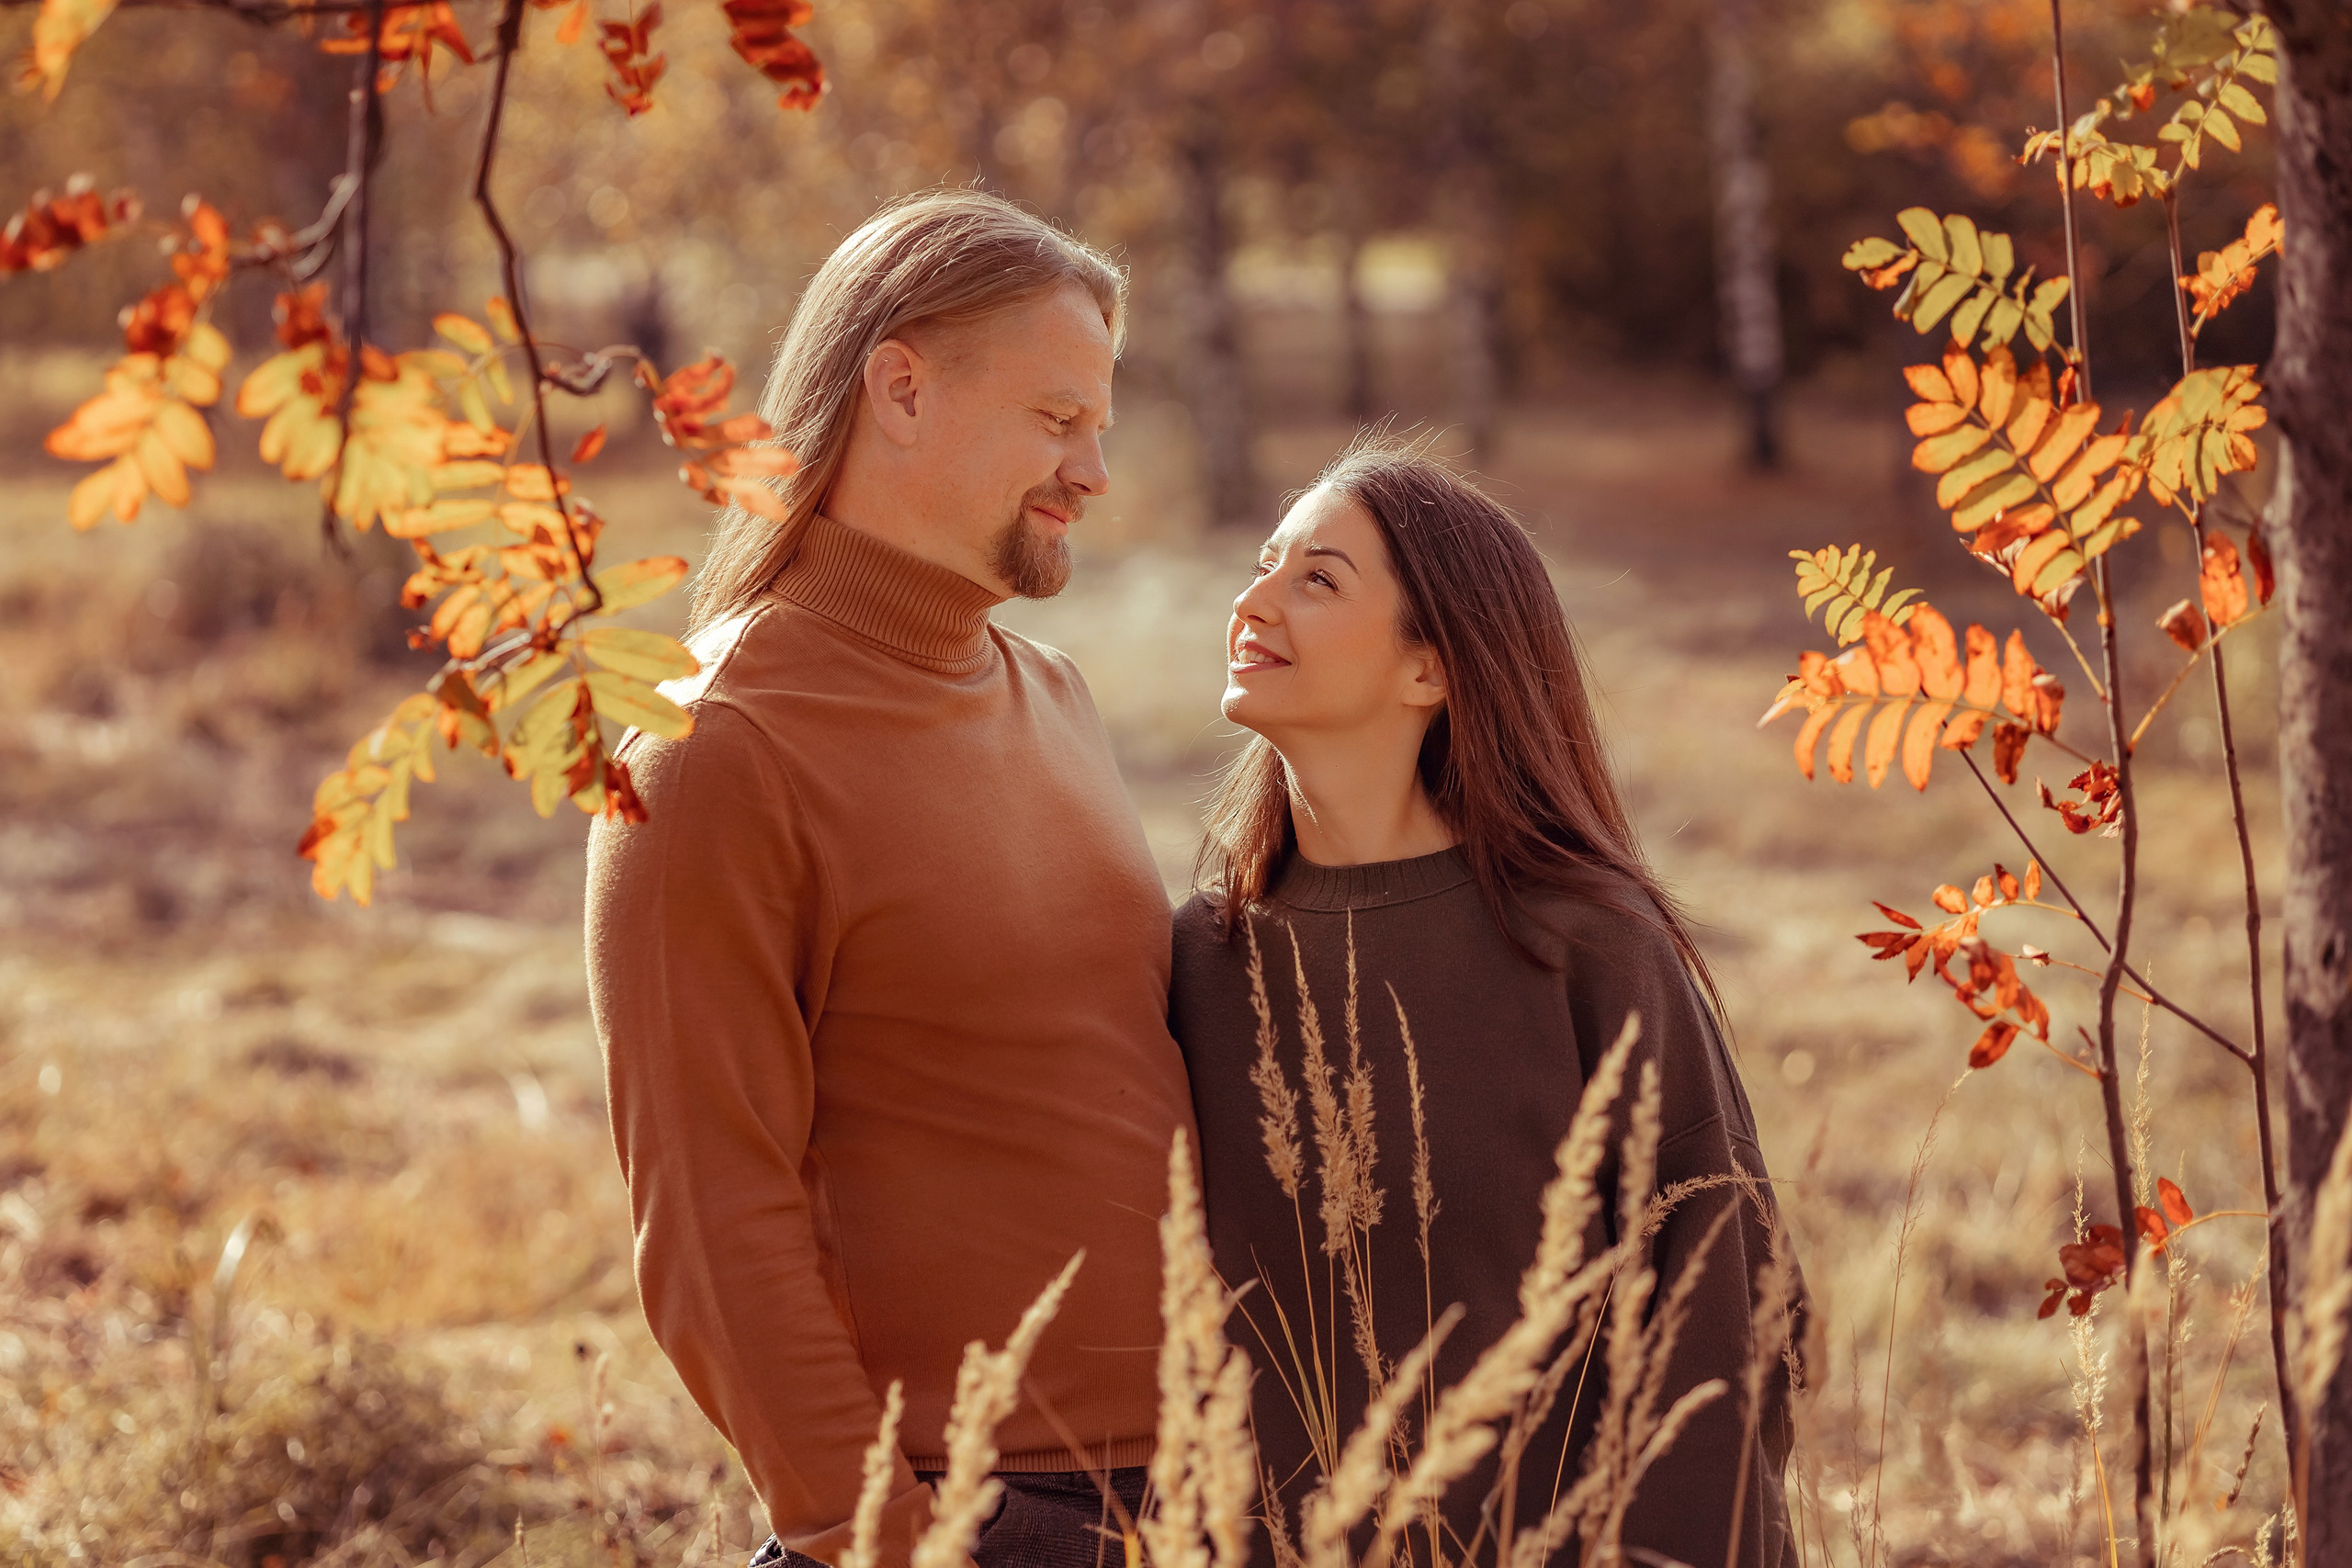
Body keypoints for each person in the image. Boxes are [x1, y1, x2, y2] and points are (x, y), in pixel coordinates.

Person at [586, 190, 1193, 1568]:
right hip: (977, 1516)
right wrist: (884, 1538)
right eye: (1058, 420)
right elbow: (709, 1215)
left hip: (1203, 1498)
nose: (1094, 469)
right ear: (901, 388)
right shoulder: (719, 742)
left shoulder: (1053, 690)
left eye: (1100, 424)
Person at [1169, 433, 1801, 1568]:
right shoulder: (1203, 959)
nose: (1252, 600)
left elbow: (1724, 1315)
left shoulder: (1586, 946)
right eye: (1263, 562)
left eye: (1316, 578)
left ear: (1431, 670)